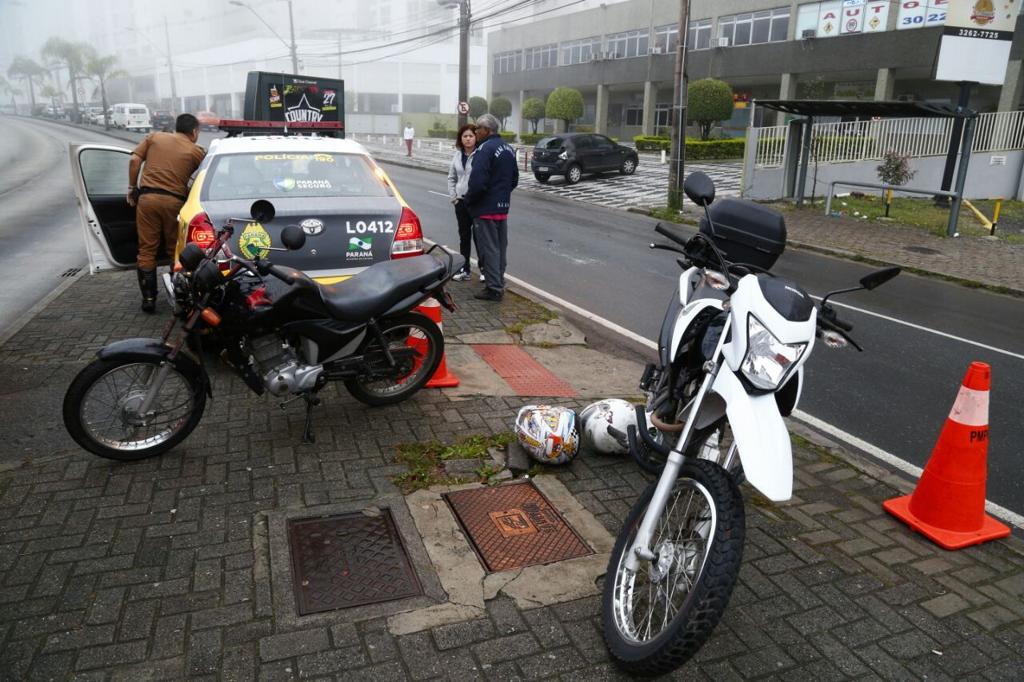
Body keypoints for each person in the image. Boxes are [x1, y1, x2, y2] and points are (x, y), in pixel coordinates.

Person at [127, 113, 206, 313]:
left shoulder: (155, 137)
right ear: (194, 132)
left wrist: (131, 188)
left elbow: (134, 161)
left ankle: (149, 299)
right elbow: (203, 178)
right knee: (175, 250)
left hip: (147, 200)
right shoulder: (196, 152)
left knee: (147, 250)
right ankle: (179, 297)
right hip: (174, 203)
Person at [461, 113, 518, 302]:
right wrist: (501, 195)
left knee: (489, 249)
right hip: (502, 207)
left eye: (478, 129)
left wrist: (469, 200)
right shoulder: (508, 148)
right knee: (501, 248)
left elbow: (477, 183)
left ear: (486, 130)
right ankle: (499, 281)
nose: (476, 133)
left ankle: (493, 289)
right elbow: (514, 179)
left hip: (485, 209)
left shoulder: (484, 149)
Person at [446, 123, 482, 282]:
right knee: (464, 236)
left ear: (476, 138)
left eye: (471, 136)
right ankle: (464, 269)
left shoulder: (481, 154)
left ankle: (484, 270)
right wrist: (453, 197)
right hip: (461, 202)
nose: (468, 139)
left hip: (477, 202)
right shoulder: (457, 155)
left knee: (480, 237)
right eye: (465, 136)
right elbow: (451, 178)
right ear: (461, 139)